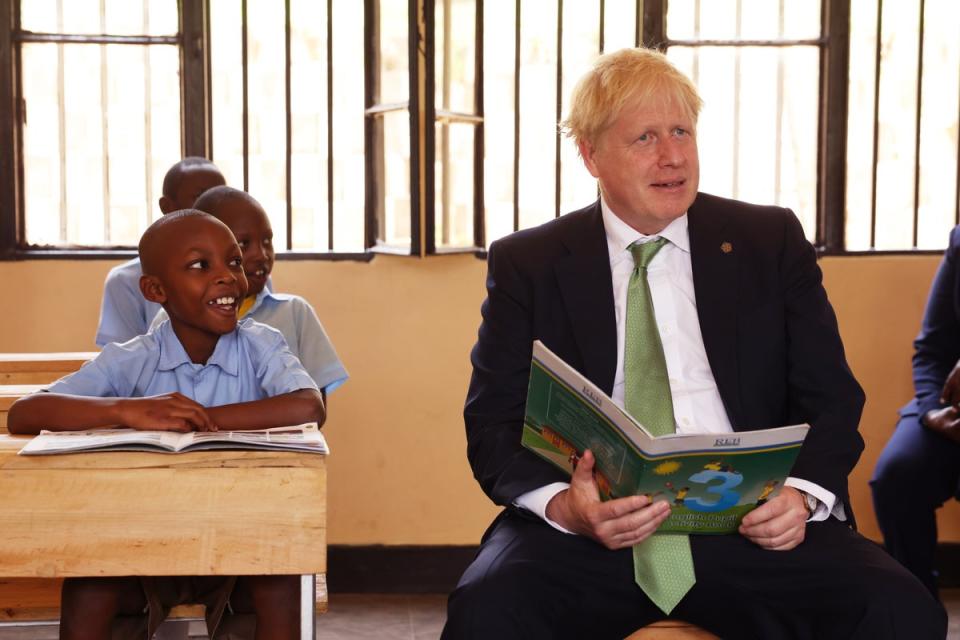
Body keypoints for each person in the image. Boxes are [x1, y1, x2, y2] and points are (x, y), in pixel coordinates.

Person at [442, 47, 944, 639]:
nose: (673, 156)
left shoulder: (768, 240)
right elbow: (492, 422)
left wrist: (802, 496)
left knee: (900, 609)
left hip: (752, 523)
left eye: (682, 131)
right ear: (590, 154)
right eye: (645, 138)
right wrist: (565, 507)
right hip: (594, 530)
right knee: (488, 610)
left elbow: (832, 398)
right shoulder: (531, 261)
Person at [10, 210, 323, 640]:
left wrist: (201, 422)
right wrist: (127, 411)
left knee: (279, 580)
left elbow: (308, 404)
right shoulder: (132, 357)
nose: (227, 277)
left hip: (239, 544)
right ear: (155, 289)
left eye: (233, 262)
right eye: (201, 266)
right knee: (88, 584)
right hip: (139, 547)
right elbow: (25, 412)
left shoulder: (261, 345)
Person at [149, 186, 348, 393]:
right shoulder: (168, 319)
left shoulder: (294, 313)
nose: (261, 255)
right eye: (243, 244)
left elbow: (314, 407)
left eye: (267, 241)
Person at [871, 224, 960, 597]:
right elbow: (932, 348)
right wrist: (929, 413)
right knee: (897, 475)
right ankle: (918, 606)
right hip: (951, 408)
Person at [94, 157, 226, 347]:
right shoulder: (125, 282)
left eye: (220, 197)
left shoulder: (241, 274)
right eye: (200, 197)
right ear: (167, 207)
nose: (213, 208)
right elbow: (122, 366)